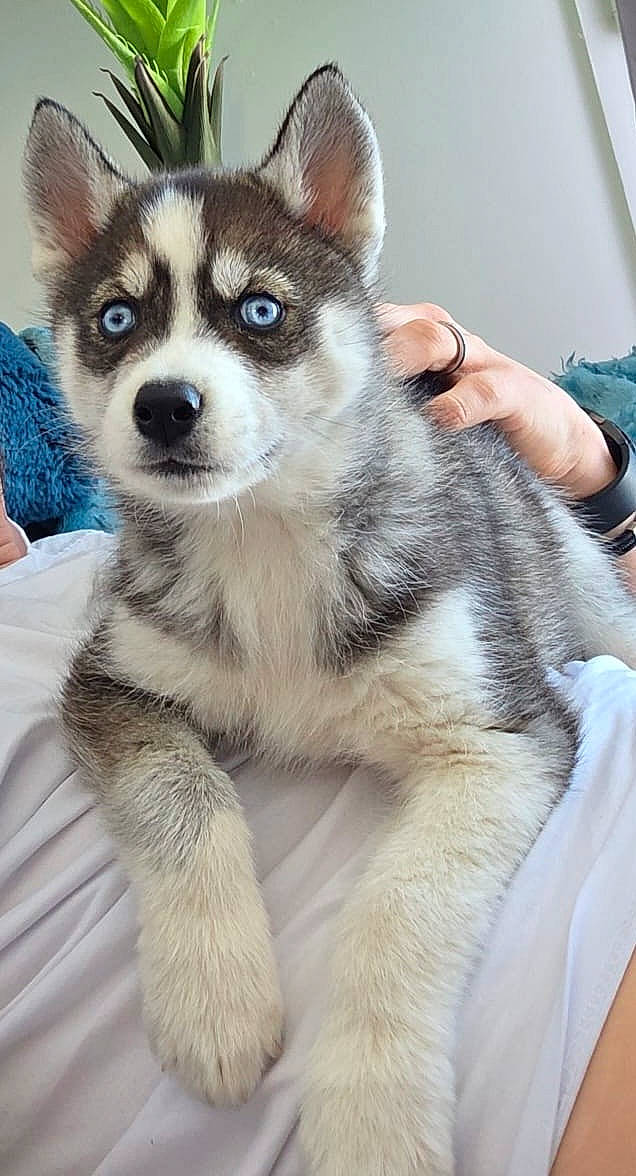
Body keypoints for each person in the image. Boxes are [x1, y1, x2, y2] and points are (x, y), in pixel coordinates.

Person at [1, 305, 635, 1176]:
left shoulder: (91, 548)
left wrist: (601, 478)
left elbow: (522, 723)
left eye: (255, 313)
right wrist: (194, 881)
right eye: (121, 324)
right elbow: (113, 699)